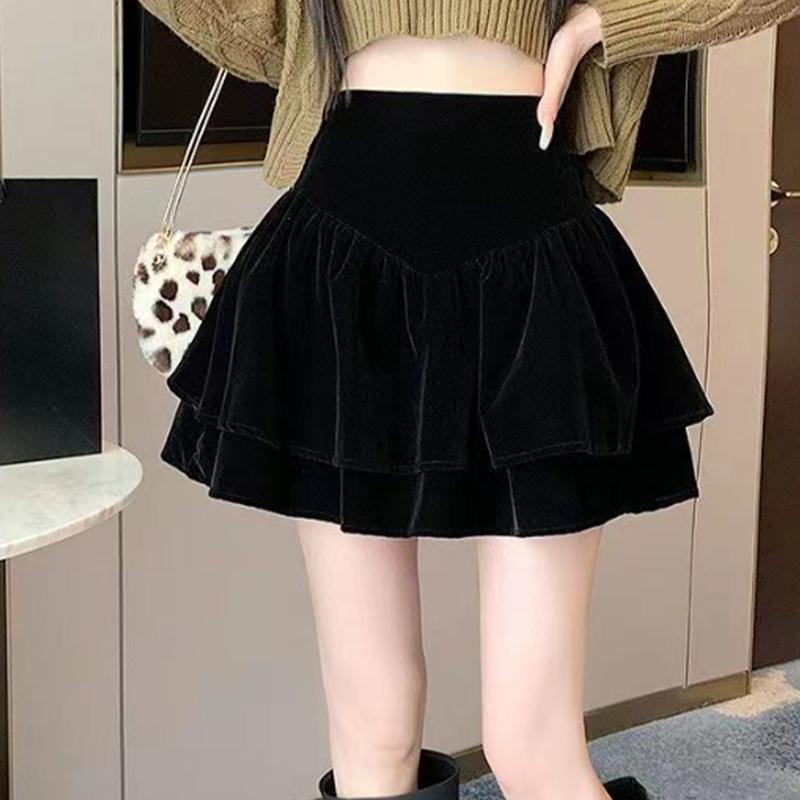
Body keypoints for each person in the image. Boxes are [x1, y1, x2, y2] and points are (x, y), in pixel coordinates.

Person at [136, 2, 800, 799]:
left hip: (530, 251)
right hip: (343, 254)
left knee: (531, 748)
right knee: (373, 731)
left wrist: (599, 25)